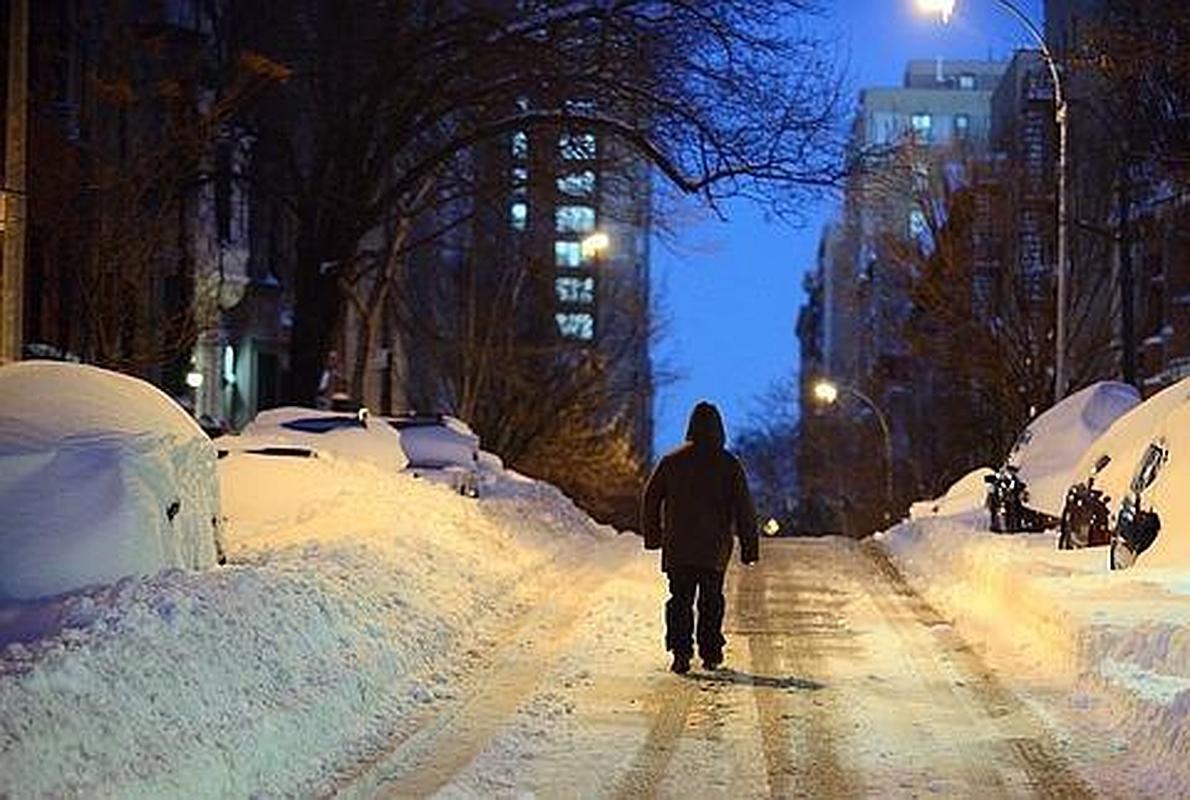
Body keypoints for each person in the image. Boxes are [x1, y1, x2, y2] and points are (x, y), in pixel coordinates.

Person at [640, 401, 758, 674]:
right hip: (713, 548)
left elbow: (651, 498)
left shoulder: (672, 461)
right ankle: (711, 652)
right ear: (719, 429)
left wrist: (653, 536)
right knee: (711, 599)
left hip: (678, 547)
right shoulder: (728, 464)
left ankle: (681, 652)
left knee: (679, 599)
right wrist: (749, 547)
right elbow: (744, 507)